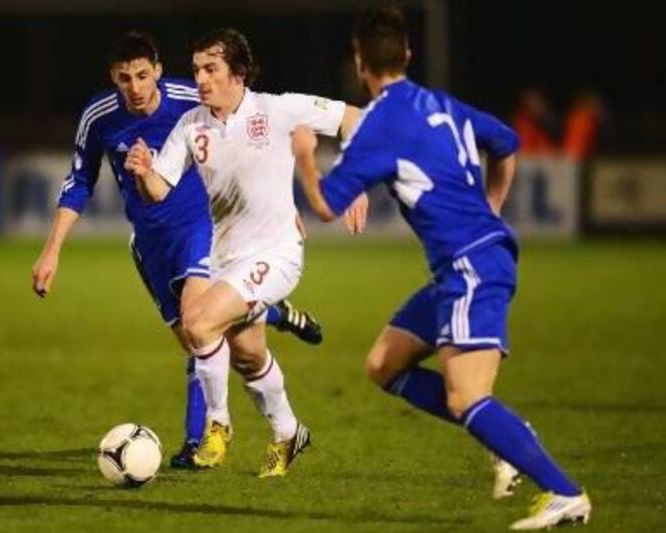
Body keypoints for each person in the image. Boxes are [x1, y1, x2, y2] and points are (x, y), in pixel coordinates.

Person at [291, 5, 591, 529]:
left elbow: (324, 206)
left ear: (360, 63)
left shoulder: (377, 127)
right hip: (463, 266)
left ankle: (564, 492)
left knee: (466, 395)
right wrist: (492, 209)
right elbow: (508, 143)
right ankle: (501, 432)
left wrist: (303, 156)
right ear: (407, 54)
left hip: (471, 269)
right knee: (384, 364)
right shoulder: (441, 104)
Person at [31, 30, 323, 470]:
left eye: (143, 75)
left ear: (159, 71)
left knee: (199, 326)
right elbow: (80, 182)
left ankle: (201, 441)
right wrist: (51, 251)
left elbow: (257, 127)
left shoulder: (193, 97)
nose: (135, 87)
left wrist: (280, 208)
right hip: (149, 243)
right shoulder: (100, 116)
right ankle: (273, 312)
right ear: (113, 76)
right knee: (204, 342)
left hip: (202, 230)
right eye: (124, 78)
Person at [127, 28, 361, 477]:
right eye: (196, 69)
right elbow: (158, 188)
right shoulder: (192, 125)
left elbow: (352, 118)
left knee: (197, 323)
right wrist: (142, 171)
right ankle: (289, 432)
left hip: (277, 253)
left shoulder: (276, 109)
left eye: (211, 69)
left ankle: (218, 426)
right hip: (226, 258)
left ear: (238, 73)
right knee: (248, 356)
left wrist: (356, 182)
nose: (200, 78)